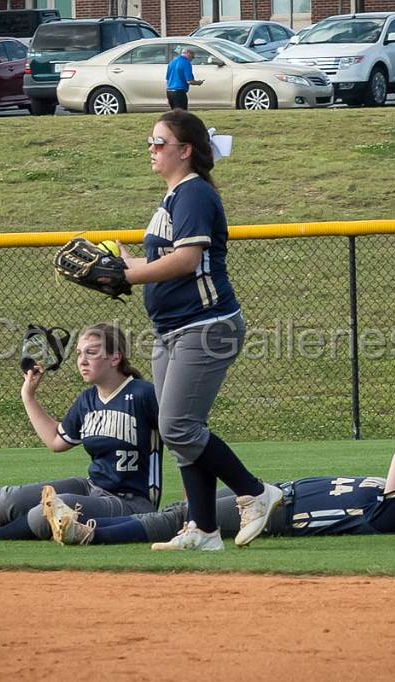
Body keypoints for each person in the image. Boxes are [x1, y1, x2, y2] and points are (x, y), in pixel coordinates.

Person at [116, 110, 282, 552]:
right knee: (181, 430)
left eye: (159, 143)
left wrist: (132, 276)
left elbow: (188, 262)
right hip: (172, 327)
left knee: (178, 425)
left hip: (206, 325)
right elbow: (163, 265)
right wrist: (122, 266)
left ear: (185, 151)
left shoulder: (192, 195)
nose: (151, 150)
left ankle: (255, 492)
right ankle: (204, 530)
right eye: (149, 142)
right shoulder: (172, 198)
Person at [0, 323, 163, 542]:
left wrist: (191, 505)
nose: (82, 361)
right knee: (3, 499)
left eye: (91, 353)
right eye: (78, 354)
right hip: (92, 487)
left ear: (115, 358)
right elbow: (56, 440)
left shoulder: (143, 394)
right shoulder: (88, 399)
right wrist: (28, 395)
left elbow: (181, 442)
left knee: (49, 510)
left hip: (131, 502)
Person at [43, 443, 395, 549]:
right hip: (276, 500)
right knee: (181, 513)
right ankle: (91, 529)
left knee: (181, 518)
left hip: (276, 512)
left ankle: (90, 533)